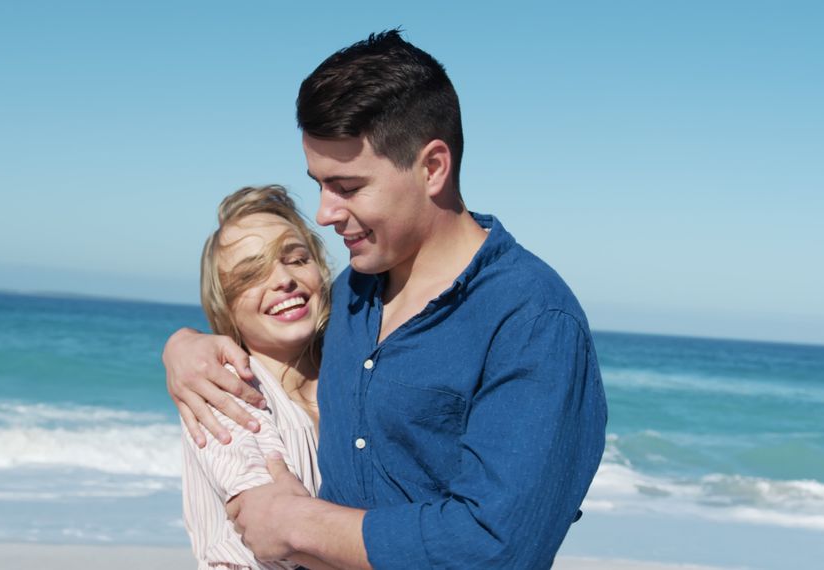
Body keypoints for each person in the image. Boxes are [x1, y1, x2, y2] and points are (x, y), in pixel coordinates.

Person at [165, 31, 608, 569]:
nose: (324, 213)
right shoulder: (349, 297)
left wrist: (292, 521)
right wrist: (183, 346)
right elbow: (269, 331)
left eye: (347, 187)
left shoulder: (532, 320)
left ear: (432, 168)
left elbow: (495, 546)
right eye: (320, 184)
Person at [180, 184, 337, 570]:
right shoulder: (225, 391)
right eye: (252, 275)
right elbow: (278, 535)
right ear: (226, 308)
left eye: (297, 259)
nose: (282, 279)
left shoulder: (352, 370)